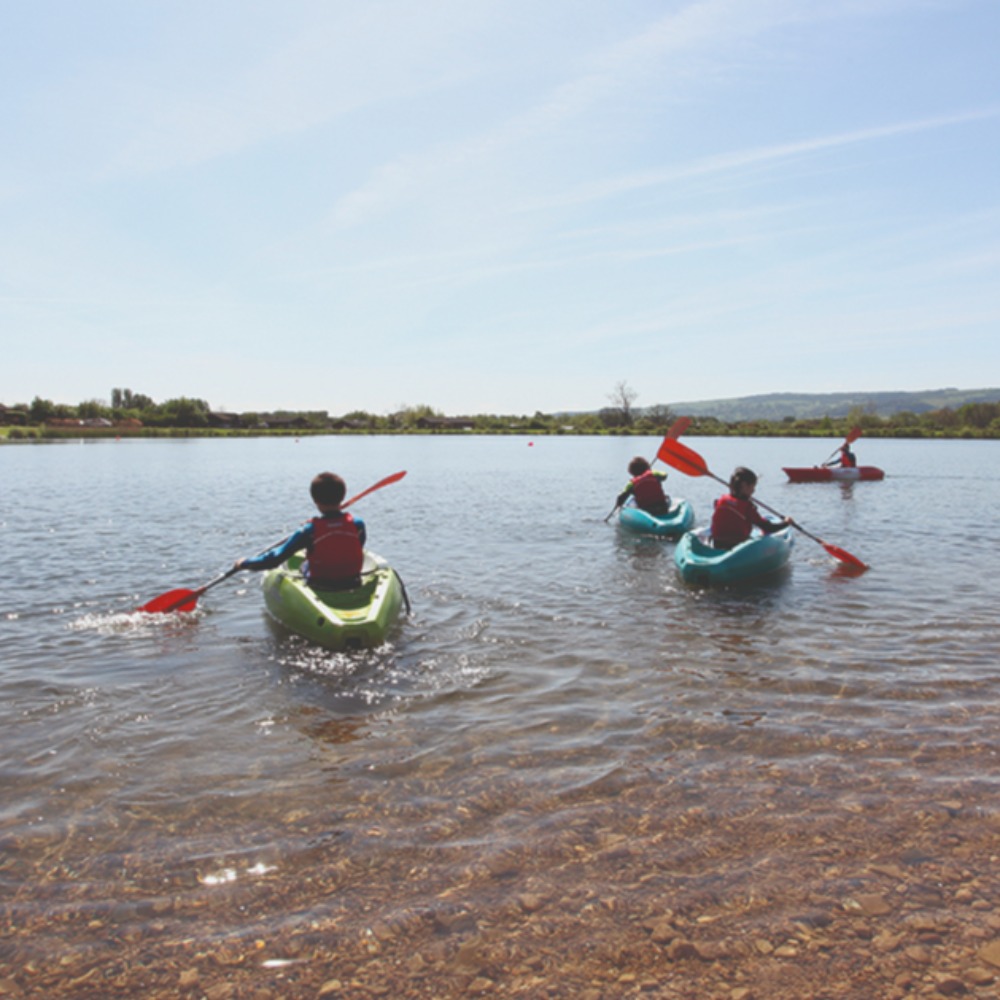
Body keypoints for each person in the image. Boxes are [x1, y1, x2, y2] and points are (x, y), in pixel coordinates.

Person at [235, 472, 366, 588]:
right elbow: (352, 545)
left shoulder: (308, 531)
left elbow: (274, 559)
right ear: (343, 497)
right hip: (353, 581)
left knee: (303, 563)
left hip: (321, 584)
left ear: (314, 500)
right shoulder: (357, 524)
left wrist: (244, 563)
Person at [710, 467, 792, 550]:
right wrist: (786, 523)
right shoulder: (748, 507)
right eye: (753, 486)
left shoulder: (721, 500)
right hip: (737, 545)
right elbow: (768, 527)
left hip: (717, 544)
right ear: (744, 485)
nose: (753, 490)